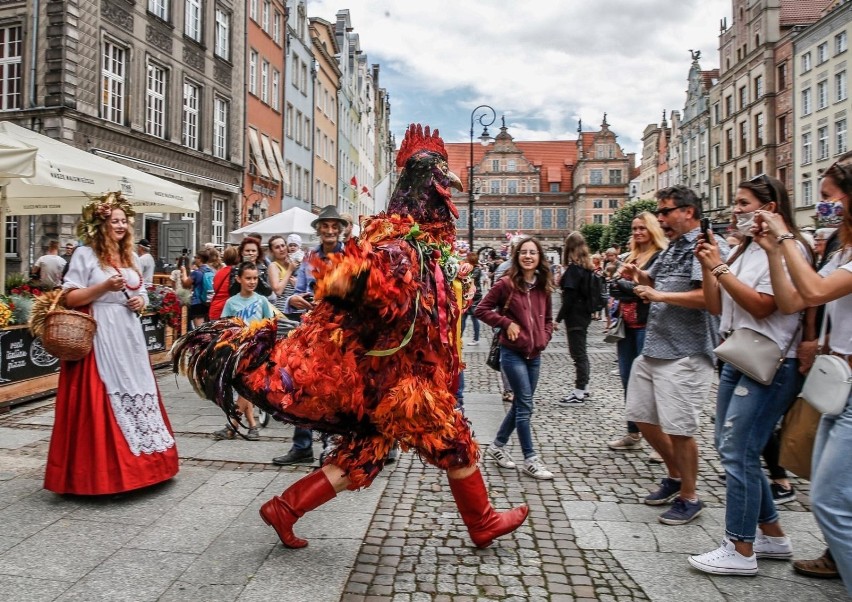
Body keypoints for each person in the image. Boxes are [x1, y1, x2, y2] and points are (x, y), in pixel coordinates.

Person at [687, 174, 809, 575]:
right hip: (738, 355)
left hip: (771, 362)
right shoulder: (746, 250)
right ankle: (771, 533)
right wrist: (711, 266)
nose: (735, 210)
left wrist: (720, 268)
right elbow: (716, 306)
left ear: (769, 208)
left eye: (743, 203)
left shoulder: (791, 251)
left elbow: (762, 306)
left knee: (738, 452)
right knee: (734, 450)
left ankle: (740, 548)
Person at [753, 159, 852, 594]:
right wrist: (776, 251)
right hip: (837, 384)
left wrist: (788, 236)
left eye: (829, 196)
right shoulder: (841, 249)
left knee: (830, 500)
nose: (823, 204)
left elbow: (813, 291)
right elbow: (794, 300)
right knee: (831, 489)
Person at [43, 193, 178, 495]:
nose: (120, 225)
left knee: (137, 387)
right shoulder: (84, 255)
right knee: (103, 395)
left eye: (123, 221)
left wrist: (139, 301)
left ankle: (150, 467)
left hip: (128, 333)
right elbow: (69, 297)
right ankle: (105, 475)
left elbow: (141, 293)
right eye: (114, 221)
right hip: (101, 333)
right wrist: (104, 286)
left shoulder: (130, 257)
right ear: (101, 224)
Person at [621, 185, 727, 526]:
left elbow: (707, 298)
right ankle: (675, 474)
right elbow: (658, 278)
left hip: (687, 350)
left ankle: (690, 496)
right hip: (656, 345)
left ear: (688, 212)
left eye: (665, 211)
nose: (660, 218)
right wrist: (639, 276)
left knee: (680, 428)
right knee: (641, 415)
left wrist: (659, 295)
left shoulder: (706, 247)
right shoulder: (674, 246)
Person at [272, 205, 347, 466]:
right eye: (324, 226)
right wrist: (295, 299)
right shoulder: (308, 258)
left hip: (339, 332)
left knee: (330, 389)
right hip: (310, 329)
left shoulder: (349, 257)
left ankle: (330, 446)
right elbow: (298, 293)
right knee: (300, 385)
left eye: (333, 226)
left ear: (340, 230)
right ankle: (302, 446)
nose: (329, 230)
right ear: (318, 230)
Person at [476, 237, 555, 480]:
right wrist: (506, 322)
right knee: (525, 405)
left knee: (522, 403)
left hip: (535, 353)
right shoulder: (506, 284)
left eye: (533, 252)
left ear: (539, 257)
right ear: (516, 256)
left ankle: (497, 446)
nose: (528, 256)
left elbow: (549, 319)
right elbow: (481, 309)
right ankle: (530, 459)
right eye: (523, 252)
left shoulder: (543, 287)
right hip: (512, 353)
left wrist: (544, 336)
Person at [606, 212, 667, 452]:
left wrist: (628, 287)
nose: (638, 232)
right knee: (628, 380)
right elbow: (614, 286)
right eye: (634, 228)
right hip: (627, 324)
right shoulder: (630, 256)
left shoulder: (659, 256)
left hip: (648, 325)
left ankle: (660, 441)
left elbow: (654, 289)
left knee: (650, 383)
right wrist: (628, 287)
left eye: (643, 228)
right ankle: (633, 433)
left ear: (653, 230)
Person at [211, 261, 276, 442]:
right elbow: (224, 326)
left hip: (255, 352)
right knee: (243, 389)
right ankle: (252, 427)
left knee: (246, 388)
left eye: (255, 278)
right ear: (239, 279)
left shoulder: (261, 300)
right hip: (237, 352)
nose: (252, 281)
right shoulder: (232, 303)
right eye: (248, 278)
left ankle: (232, 426)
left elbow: (270, 325)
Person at [556, 232, 595, 405]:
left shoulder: (574, 270)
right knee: (582, 353)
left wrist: (557, 319)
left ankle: (579, 391)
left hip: (575, 317)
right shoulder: (586, 267)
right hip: (584, 314)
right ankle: (584, 387)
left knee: (577, 353)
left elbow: (569, 298)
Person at [267, 235, 296, 338]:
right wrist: (290, 271)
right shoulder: (273, 266)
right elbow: (278, 290)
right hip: (283, 314)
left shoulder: (291, 264)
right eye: (277, 247)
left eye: (283, 245)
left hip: (296, 313)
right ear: (272, 251)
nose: (281, 249)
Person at [181, 249, 214, 329]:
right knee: (206, 328)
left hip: (197, 303)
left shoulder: (196, 273)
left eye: (196, 257)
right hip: (207, 302)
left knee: (199, 330)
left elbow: (185, 284)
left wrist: (184, 271)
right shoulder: (211, 271)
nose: (194, 259)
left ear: (200, 259)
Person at [208, 246, 241, 321]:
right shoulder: (237, 273)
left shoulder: (219, 272)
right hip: (229, 310)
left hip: (215, 309)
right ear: (237, 258)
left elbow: (215, 288)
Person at [461, 252, 482, 345]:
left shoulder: (476, 270)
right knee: (463, 317)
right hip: (469, 295)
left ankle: (476, 339)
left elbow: (471, 281)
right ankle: (459, 337)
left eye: (467, 258)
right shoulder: (471, 268)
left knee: (474, 317)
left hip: (475, 296)